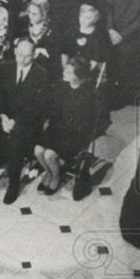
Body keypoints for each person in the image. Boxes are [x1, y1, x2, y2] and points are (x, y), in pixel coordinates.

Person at [0, 37, 49, 204]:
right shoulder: (6, 67)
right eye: (19, 54)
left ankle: (14, 184)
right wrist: (4, 118)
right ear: (15, 51)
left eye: (27, 56)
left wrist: (15, 122)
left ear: (34, 55)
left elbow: (38, 107)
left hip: (25, 122)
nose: (22, 59)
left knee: (16, 145)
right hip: (2, 116)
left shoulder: (41, 75)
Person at [34, 56, 106, 194]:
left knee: (49, 154)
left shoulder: (88, 95)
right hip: (57, 129)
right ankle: (48, 172)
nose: (64, 73)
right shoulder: (61, 86)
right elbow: (53, 111)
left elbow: (84, 126)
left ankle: (56, 176)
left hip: (75, 136)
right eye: (65, 69)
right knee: (38, 150)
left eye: (69, 72)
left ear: (78, 77)